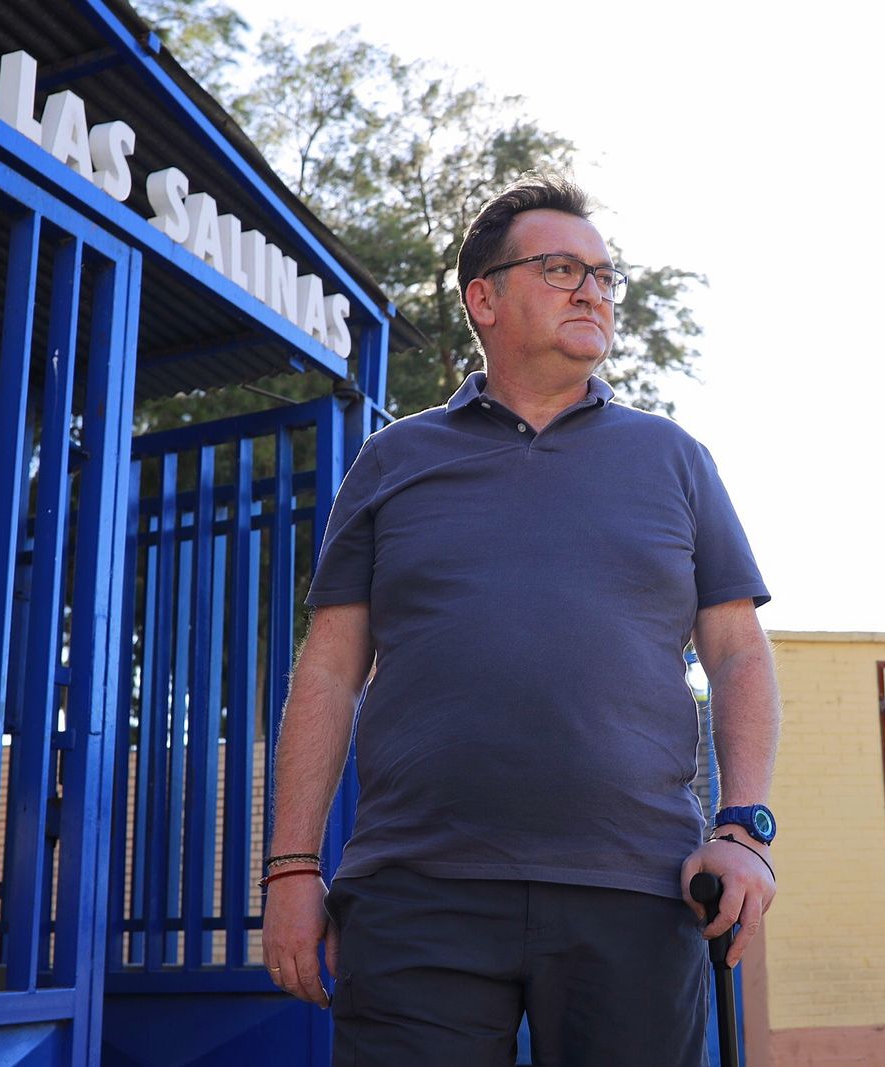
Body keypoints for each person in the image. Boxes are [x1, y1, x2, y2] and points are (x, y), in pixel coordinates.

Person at [261, 173, 780, 1067]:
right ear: (484, 298)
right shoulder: (392, 461)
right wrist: (291, 869)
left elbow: (737, 653)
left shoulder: (674, 460)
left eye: (605, 275)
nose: (594, 289)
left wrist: (743, 828)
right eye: (560, 267)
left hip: (636, 890)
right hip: (416, 896)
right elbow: (329, 669)